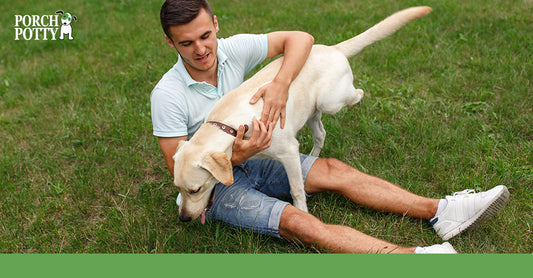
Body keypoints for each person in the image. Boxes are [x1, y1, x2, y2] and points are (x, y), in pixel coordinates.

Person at [150, 0, 509, 253]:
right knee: (298, 222)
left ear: (215, 25)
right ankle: (413, 258)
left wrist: (280, 84)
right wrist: (236, 158)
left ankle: (442, 212)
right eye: (186, 43)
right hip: (216, 184)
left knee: (335, 170)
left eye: (205, 36)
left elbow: (302, 39)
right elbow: (179, 168)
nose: (200, 49)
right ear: (170, 43)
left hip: (258, 150)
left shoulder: (232, 48)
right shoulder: (166, 94)